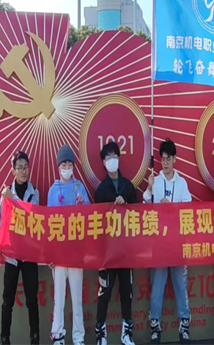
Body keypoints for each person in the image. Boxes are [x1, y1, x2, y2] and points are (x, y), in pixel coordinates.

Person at [143, 139, 193, 345]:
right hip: (159, 244)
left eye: (168, 159)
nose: (165, 162)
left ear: (174, 159)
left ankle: (184, 325)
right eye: (162, 159)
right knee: (158, 284)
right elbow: (144, 207)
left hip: (178, 243)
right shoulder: (155, 181)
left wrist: (170, 207)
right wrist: (149, 189)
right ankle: (155, 325)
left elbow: (188, 209)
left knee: (181, 284)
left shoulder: (182, 183)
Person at [0, 151, 40, 345]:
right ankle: (4, 339)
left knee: (32, 300)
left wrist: (13, 200)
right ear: (13, 171)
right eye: (19, 168)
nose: (23, 171)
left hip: (29, 254)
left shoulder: (34, 193)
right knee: (8, 300)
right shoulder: (6, 194)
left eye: (26, 167)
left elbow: (31, 218)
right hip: (11, 254)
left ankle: (35, 338)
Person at [93, 141, 138, 345]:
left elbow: (139, 216)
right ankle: (100, 333)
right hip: (107, 251)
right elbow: (96, 221)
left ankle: (126, 333)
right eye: (108, 157)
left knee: (126, 291)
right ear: (103, 162)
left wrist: (126, 205)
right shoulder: (101, 190)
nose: (112, 160)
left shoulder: (128, 186)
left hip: (126, 250)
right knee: (105, 292)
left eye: (115, 156)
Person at [46, 145, 90, 345]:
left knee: (77, 299)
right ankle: (58, 335)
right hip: (59, 253)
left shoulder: (79, 187)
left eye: (69, 164)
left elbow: (90, 217)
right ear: (58, 167)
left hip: (76, 251)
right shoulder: (52, 190)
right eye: (63, 164)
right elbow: (48, 224)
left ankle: (79, 337)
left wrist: (82, 204)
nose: (66, 167)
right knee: (59, 298)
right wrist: (50, 254)